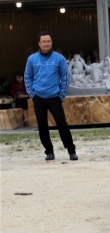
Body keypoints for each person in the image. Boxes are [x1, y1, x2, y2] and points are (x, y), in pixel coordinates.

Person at [25, 31, 78, 161]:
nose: (46, 43)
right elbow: (28, 77)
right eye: (43, 41)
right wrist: (32, 94)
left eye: (48, 41)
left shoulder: (59, 58)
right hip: (38, 98)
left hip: (54, 97)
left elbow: (65, 77)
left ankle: (71, 150)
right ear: (39, 43)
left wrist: (61, 95)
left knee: (62, 124)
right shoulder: (32, 59)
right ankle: (49, 151)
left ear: (51, 42)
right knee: (42, 126)